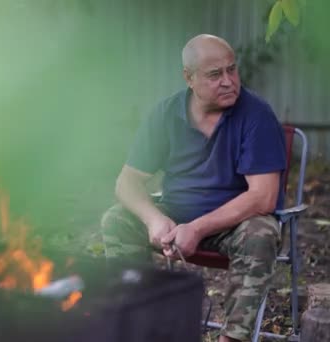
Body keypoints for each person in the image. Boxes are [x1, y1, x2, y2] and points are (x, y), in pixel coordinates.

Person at [101, 34, 286, 342]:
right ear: (189, 78)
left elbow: (263, 197)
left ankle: (233, 338)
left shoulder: (257, 115)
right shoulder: (165, 115)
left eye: (232, 69)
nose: (228, 81)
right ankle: (139, 327)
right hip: (175, 216)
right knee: (116, 221)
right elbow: (127, 182)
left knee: (262, 232)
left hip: (234, 224)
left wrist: (197, 229)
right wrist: (154, 219)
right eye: (215, 74)